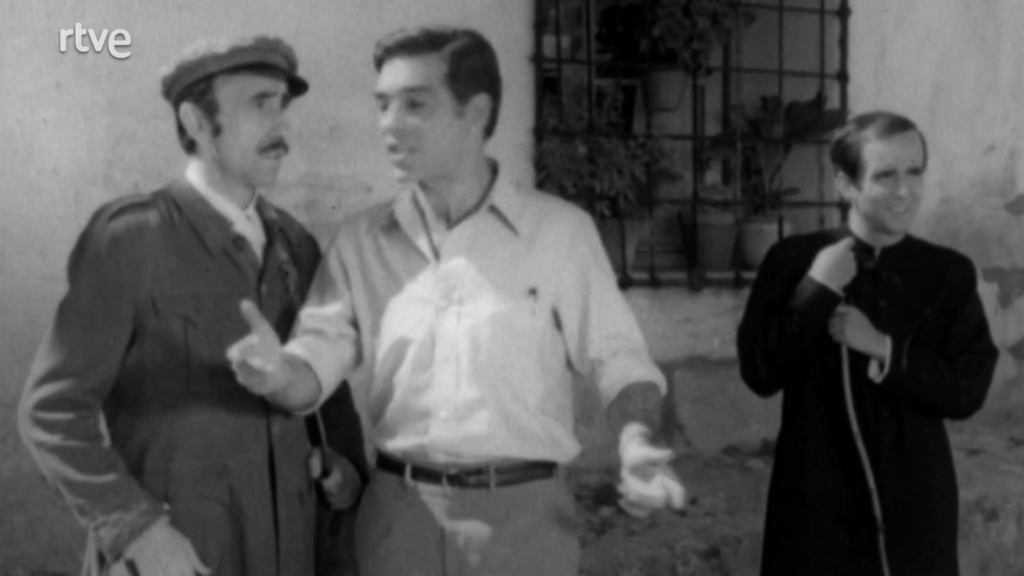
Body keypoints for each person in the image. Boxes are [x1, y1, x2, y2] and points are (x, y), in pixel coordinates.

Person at [226, 25, 685, 576]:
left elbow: (620, 360)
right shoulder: (360, 242)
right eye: (383, 104)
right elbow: (314, 364)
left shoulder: (560, 234)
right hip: (399, 522)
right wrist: (278, 375)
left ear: (476, 112)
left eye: (415, 104)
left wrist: (637, 443)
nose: (390, 123)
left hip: (525, 526)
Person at [18, 36, 360, 576]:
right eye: (259, 104)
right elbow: (51, 412)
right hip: (178, 557)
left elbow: (326, 391)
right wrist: (137, 530)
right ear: (197, 122)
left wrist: (347, 469)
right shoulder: (130, 239)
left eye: (282, 105)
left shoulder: (296, 245)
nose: (282, 128)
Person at [737, 111, 999, 576]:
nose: (905, 191)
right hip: (817, 501)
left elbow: (966, 390)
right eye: (885, 175)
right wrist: (816, 289)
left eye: (914, 172)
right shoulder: (793, 260)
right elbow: (760, 372)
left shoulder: (946, 273)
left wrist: (882, 346)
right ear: (846, 184)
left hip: (915, 501)